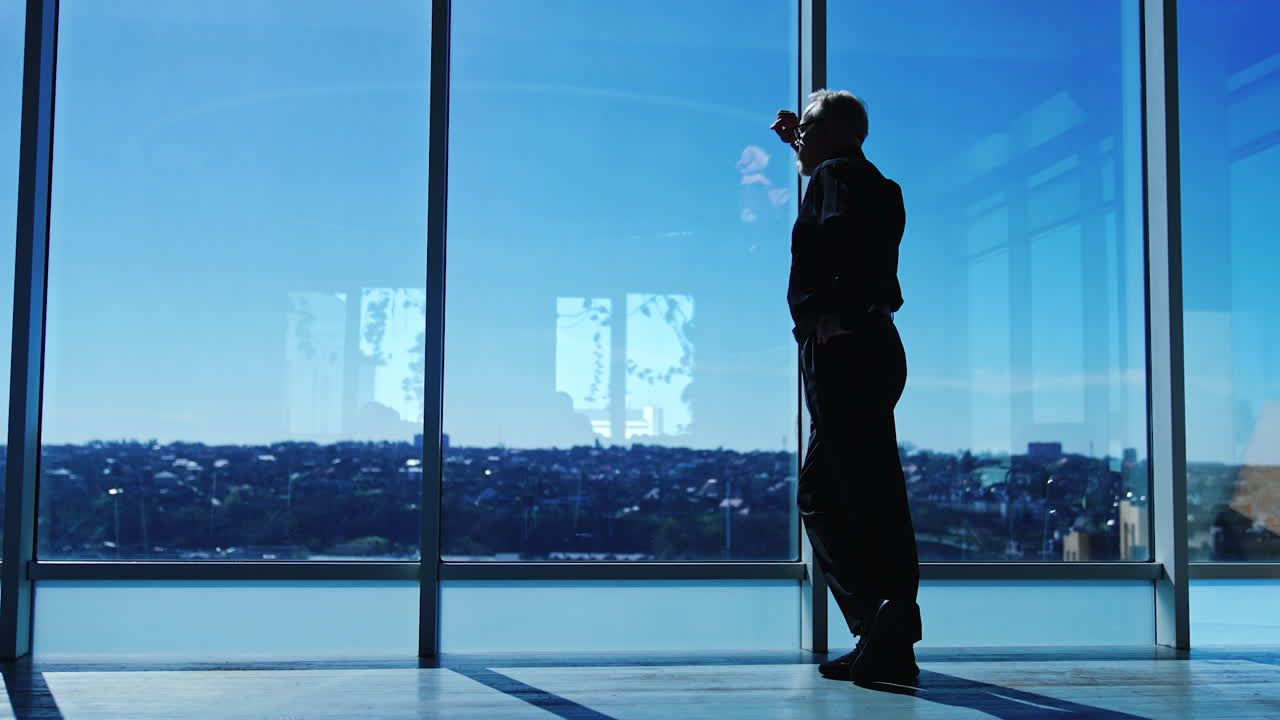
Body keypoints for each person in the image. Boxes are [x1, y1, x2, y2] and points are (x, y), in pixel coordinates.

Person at [771, 90, 922, 683]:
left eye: (805, 127)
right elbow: (856, 221)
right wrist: (806, 141)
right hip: (875, 346)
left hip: (846, 349)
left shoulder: (833, 176)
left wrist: (836, 311)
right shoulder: (871, 180)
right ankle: (889, 636)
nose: (798, 137)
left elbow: (841, 234)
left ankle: (879, 624)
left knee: (832, 495)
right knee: (865, 491)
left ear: (832, 134)